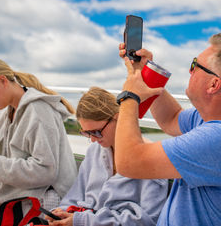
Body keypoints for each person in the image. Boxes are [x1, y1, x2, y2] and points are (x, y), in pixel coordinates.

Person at [115, 33, 221, 225]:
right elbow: (171, 118)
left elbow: (129, 162)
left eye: (194, 65)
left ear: (214, 84)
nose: (190, 71)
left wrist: (129, 95)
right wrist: (143, 72)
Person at [46, 87, 168, 226]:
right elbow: (74, 197)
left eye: (96, 132)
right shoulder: (95, 150)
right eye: (87, 133)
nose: (92, 139)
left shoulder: (150, 158)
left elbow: (149, 220)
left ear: (117, 118)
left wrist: (83, 221)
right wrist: (61, 213)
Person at [0, 56, 77, 214]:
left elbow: (46, 172)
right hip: (17, 196)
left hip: (43, 201)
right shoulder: (6, 111)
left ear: (3, 80)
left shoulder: (39, 110)